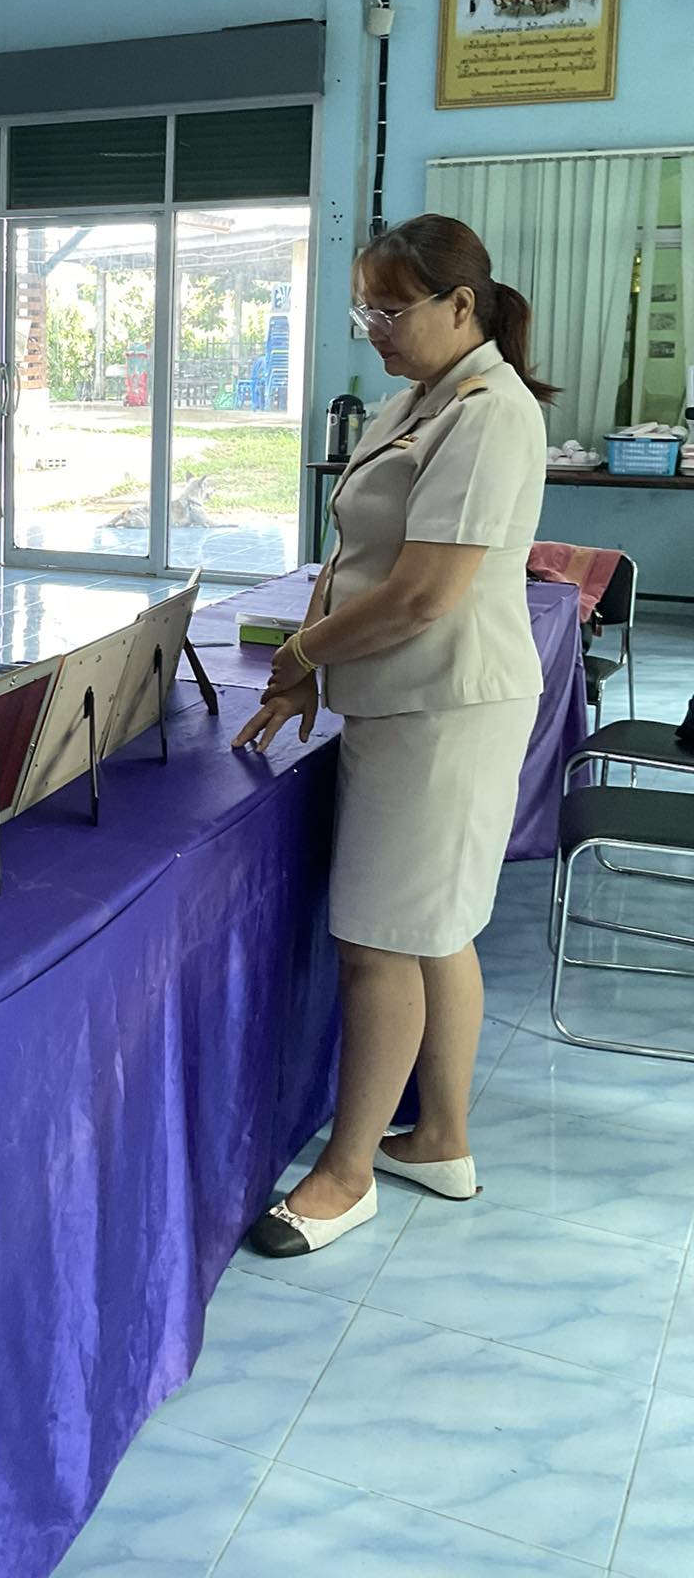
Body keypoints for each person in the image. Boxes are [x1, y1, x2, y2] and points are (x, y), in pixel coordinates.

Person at [235, 215, 552, 1258]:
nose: (374, 328)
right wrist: (306, 661)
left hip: (440, 708)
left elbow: (422, 593)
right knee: (436, 929)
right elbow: (349, 552)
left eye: (391, 310)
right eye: (363, 310)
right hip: (411, 696)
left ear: (461, 304)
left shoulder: (491, 415)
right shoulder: (418, 399)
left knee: (377, 944)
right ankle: (440, 1138)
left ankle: (347, 1173)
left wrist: (304, 651)